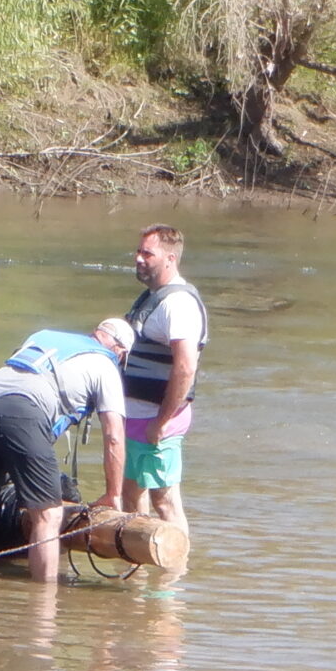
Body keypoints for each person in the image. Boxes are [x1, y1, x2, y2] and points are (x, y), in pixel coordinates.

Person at [0, 318, 133, 583]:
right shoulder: (105, 365)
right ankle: (43, 607)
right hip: (24, 410)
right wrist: (113, 495)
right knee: (48, 515)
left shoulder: (44, 335)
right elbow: (114, 436)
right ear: (120, 351)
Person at [121, 225, 204, 534]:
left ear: (170, 258)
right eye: (138, 251)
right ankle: (138, 571)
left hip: (157, 421)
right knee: (130, 496)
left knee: (165, 501)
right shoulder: (152, 297)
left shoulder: (178, 304)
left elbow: (185, 368)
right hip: (136, 417)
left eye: (147, 253)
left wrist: (161, 421)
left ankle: (173, 574)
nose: (138, 258)